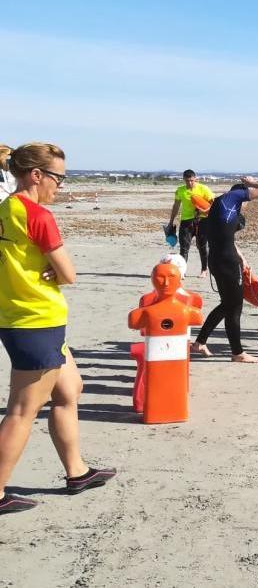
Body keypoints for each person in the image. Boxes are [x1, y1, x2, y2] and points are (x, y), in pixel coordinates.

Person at [0, 142, 115, 516]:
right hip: (36, 320)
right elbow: (69, 273)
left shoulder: (5, 208)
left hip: (18, 316)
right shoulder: (37, 214)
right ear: (37, 175)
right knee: (21, 411)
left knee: (69, 389)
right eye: (58, 178)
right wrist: (54, 272)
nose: (60, 186)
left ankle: (76, 471)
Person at [191, 177, 258, 363]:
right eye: (246, 202)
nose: (246, 207)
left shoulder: (219, 207)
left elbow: (226, 239)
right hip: (226, 262)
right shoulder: (232, 198)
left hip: (218, 260)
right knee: (234, 307)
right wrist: (251, 183)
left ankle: (200, 342)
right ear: (241, 196)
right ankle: (238, 353)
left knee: (227, 304)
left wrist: (242, 258)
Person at [166, 169, 215, 279]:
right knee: (184, 247)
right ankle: (182, 271)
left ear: (195, 179)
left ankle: (204, 270)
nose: (190, 183)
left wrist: (204, 211)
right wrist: (171, 221)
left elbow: (213, 204)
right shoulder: (180, 190)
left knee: (202, 246)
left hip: (202, 221)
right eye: (187, 181)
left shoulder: (204, 189)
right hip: (186, 221)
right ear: (183, 179)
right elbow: (176, 206)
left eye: (192, 180)